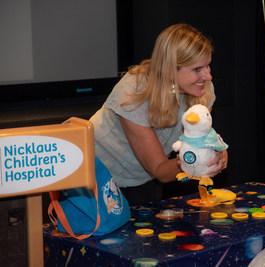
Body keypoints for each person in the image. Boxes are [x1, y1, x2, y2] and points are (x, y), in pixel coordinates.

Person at [90, 23, 228, 205]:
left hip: (143, 178)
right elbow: (159, 169)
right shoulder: (133, 92)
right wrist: (192, 162)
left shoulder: (204, 91)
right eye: (197, 69)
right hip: (97, 176)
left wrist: (215, 150)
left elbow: (198, 139)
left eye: (208, 66)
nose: (208, 76)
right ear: (171, 69)